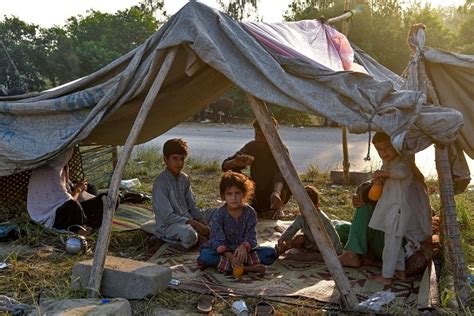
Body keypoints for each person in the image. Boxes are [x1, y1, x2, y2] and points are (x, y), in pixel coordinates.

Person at [352, 132, 431, 285]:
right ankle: (399, 271)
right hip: (390, 210)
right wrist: (379, 180)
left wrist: (385, 174)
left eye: (387, 148)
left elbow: (402, 173)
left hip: (398, 210)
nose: (384, 153)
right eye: (380, 150)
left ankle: (386, 276)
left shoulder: (402, 162)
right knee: (396, 241)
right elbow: (376, 192)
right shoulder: (386, 165)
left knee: (391, 243)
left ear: (396, 146)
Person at [197, 171, 278, 275]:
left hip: (243, 253)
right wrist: (230, 256)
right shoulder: (219, 214)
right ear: (223, 196)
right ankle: (247, 269)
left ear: (244, 193)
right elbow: (216, 239)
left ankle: (229, 266)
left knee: (270, 253)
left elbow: (251, 236)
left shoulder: (250, 212)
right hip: (224, 253)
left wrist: (244, 247)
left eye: (237, 193)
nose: (234, 198)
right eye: (229, 194)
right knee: (206, 256)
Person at [27, 148, 110, 233]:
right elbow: (69, 203)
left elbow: (68, 193)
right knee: (72, 206)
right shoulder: (48, 172)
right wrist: (78, 190)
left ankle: (86, 226)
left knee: (105, 200)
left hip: (65, 211)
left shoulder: (59, 169)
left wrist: (79, 188)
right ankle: (81, 228)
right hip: (51, 217)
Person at [222, 118, 291, 219]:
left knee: (288, 177)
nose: (258, 139)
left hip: (275, 194)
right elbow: (225, 166)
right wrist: (235, 162)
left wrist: (276, 193)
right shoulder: (252, 146)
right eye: (257, 135)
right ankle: (247, 204)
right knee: (232, 174)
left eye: (262, 136)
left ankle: (277, 207)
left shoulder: (281, 149)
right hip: (256, 192)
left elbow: (280, 174)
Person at [152, 138, 210, 250]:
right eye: (175, 158)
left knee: (218, 213)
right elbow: (167, 216)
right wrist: (195, 224)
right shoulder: (160, 183)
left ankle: (200, 236)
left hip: (189, 218)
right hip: (169, 225)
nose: (179, 163)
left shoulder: (184, 178)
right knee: (190, 235)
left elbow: (192, 206)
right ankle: (166, 240)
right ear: (166, 159)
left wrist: (203, 223)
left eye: (182, 159)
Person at [277, 185, 343, 256]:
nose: (304, 211)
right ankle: (287, 248)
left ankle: (309, 251)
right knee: (299, 239)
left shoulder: (324, 220)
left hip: (327, 246)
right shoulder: (301, 217)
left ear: (317, 206)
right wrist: (281, 240)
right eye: (301, 207)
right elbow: (291, 229)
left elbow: (334, 241)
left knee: (322, 249)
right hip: (310, 243)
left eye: (308, 208)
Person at [337, 181, 384, 267]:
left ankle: (352, 255)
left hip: (385, 240)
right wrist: (357, 196)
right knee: (339, 229)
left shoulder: (399, 179)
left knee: (365, 204)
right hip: (372, 235)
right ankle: (362, 252)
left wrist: (364, 197)